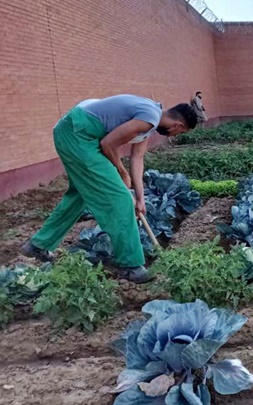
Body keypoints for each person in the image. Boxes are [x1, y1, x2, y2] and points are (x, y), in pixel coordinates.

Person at [21, 94, 198, 283]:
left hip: (75, 133)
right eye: (179, 133)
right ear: (178, 125)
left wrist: (140, 197)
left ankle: (38, 244)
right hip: (78, 134)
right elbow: (107, 144)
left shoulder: (149, 119)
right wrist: (121, 172)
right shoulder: (149, 117)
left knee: (79, 195)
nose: (174, 136)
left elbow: (137, 159)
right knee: (120, 199)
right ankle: (130, 266)